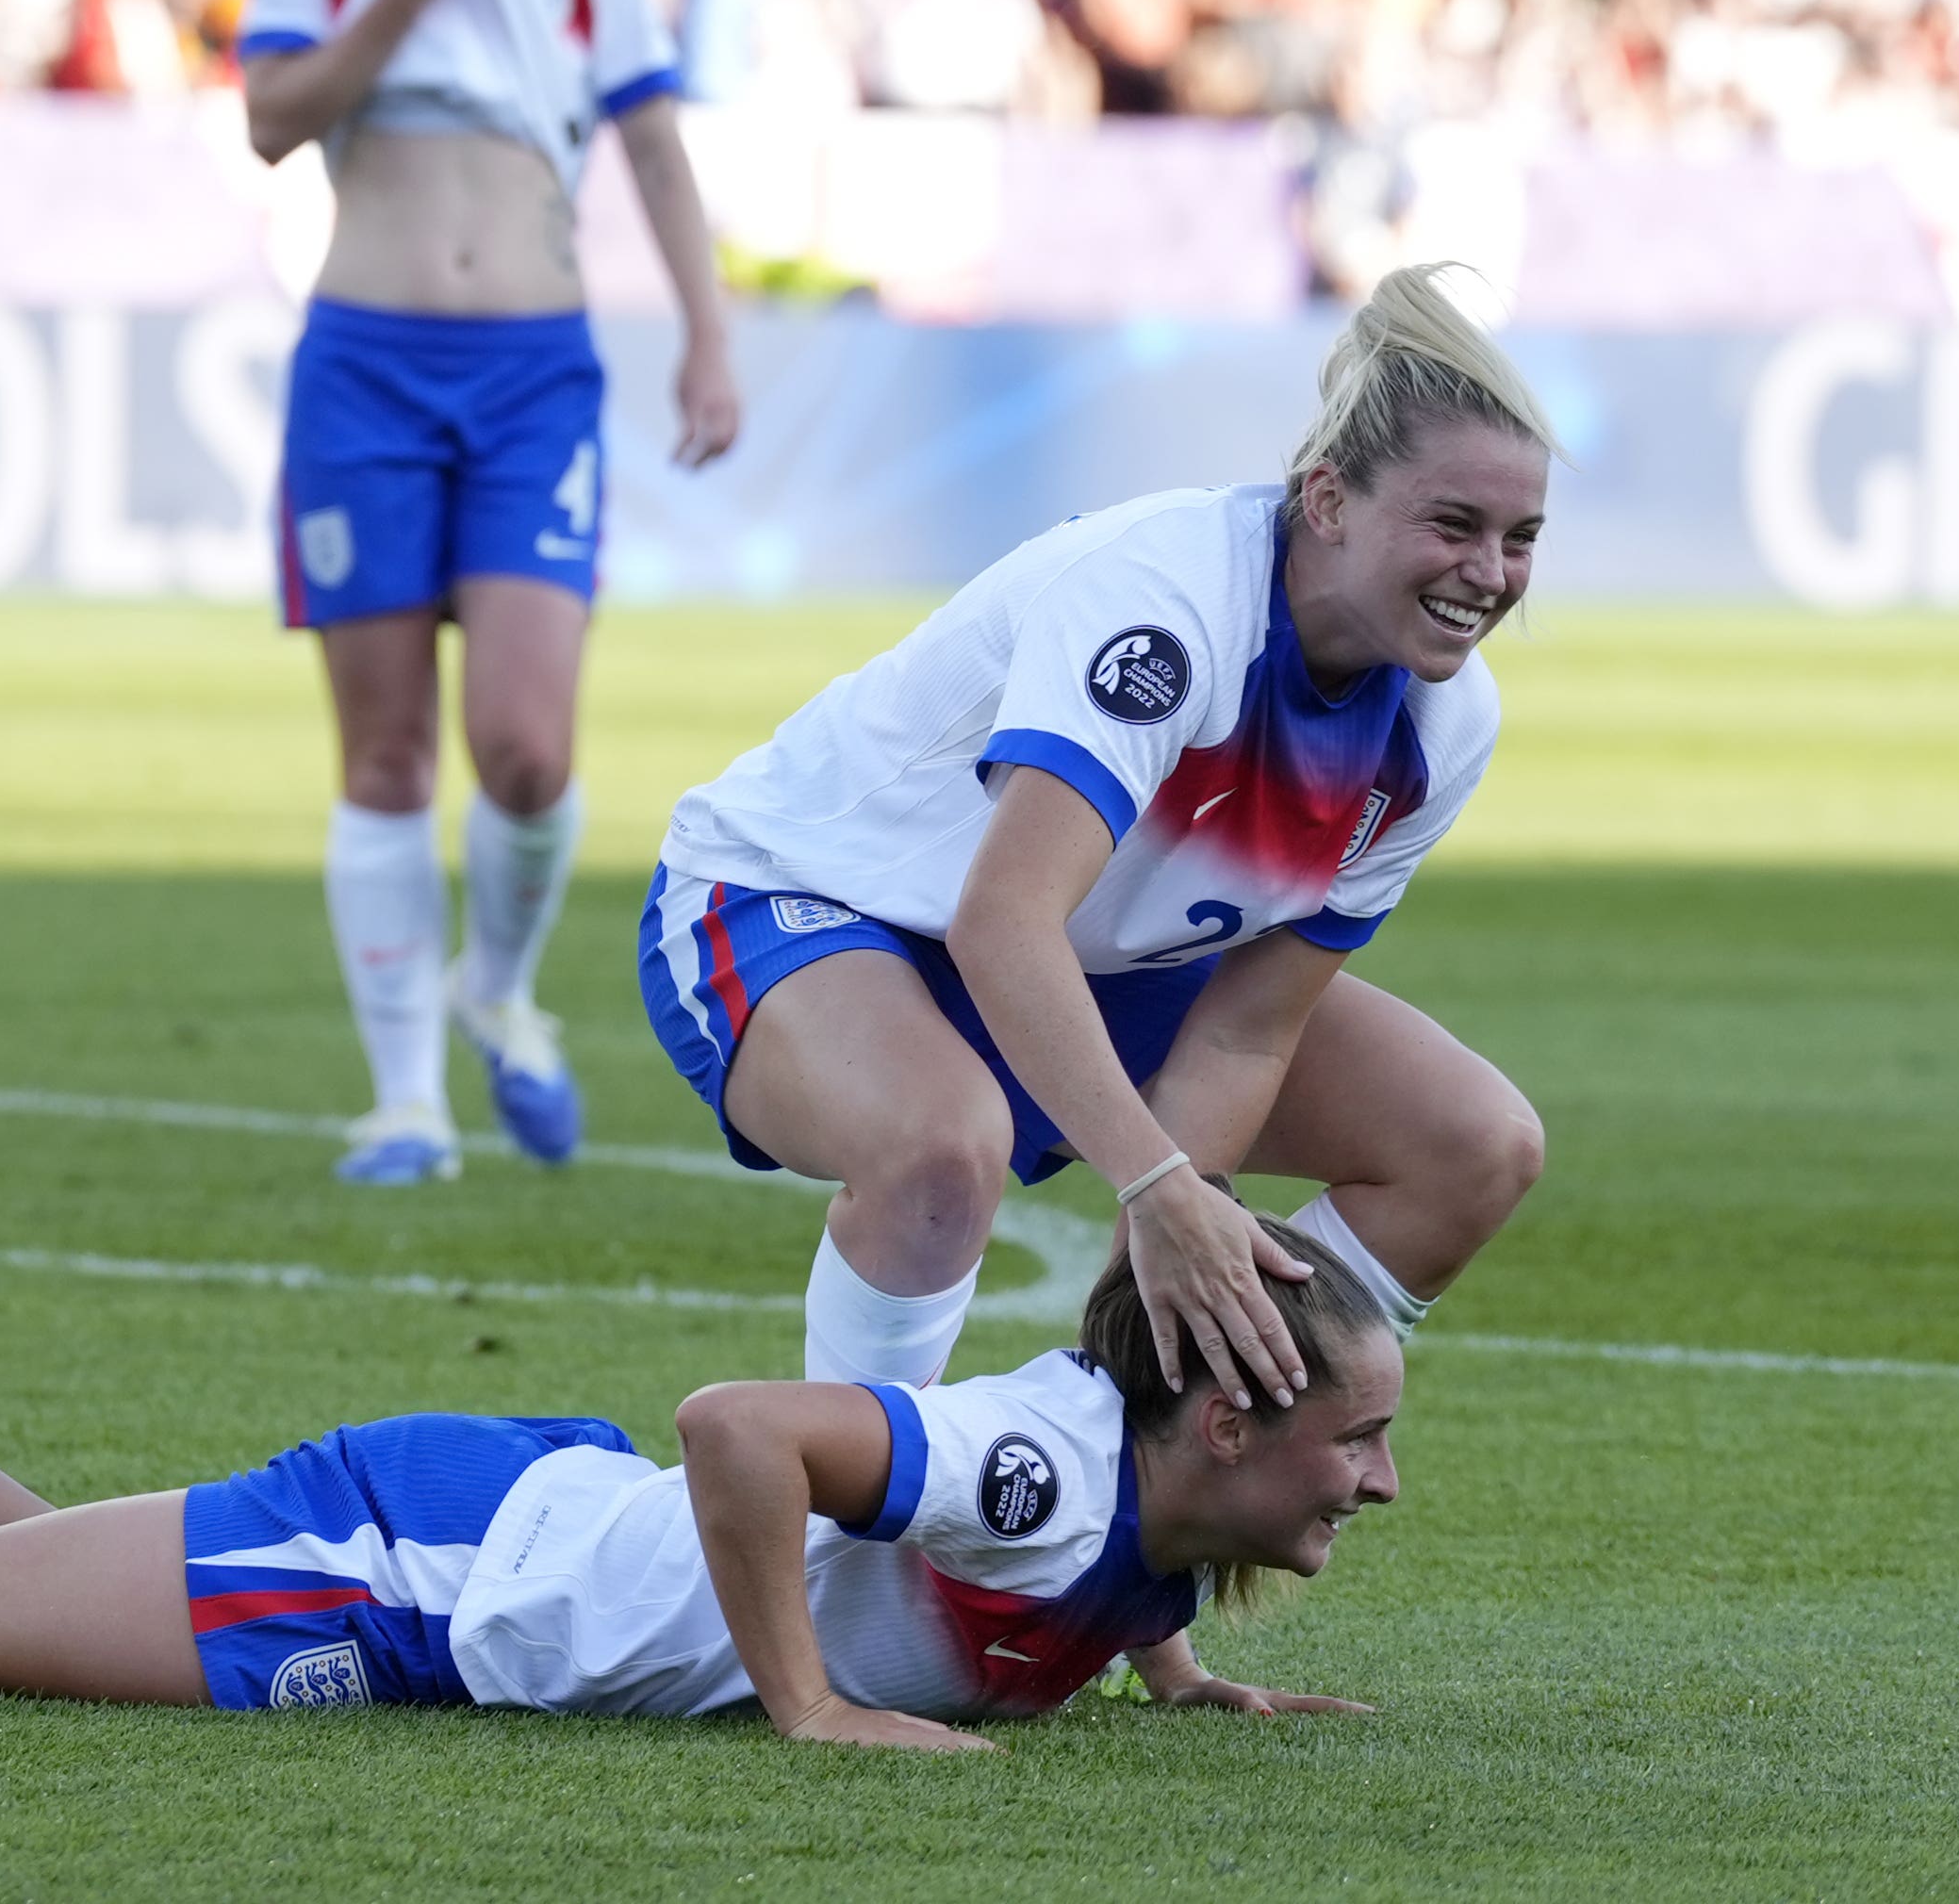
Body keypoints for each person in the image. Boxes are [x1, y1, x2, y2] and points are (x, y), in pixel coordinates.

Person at [0, 1229, 1397, 1746]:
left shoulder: (1126, 1499)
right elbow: (748, 1425)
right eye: (1350, 1431)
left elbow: (1080, 1556)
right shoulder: (1038, 1457)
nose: (1376, 1475)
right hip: (441, 1570)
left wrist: (1174, 1662)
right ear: (1213, 1418)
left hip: (486, 1528)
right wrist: (809, 1706)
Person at [641, 266, 1554, 1414]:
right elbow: (1002, 918)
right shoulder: (1166, 604)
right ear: (1327, 501)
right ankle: (851, 1541)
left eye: (1521, 537)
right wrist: (1161, 1180)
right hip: (802, 898)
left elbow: (1242, 1035)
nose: (1492, 575)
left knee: (1473, 1145)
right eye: (1454, 524)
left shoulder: (1443, 724)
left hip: (1088, 960)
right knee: (940, 1148)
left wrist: (1159, 1262)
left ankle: (1109, 1483)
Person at [237, 0, 742, 1185]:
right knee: (383, 748)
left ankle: (499, 987)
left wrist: (707, 334)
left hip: (529, 368)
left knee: (523, 745)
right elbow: (270, 116)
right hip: (366, 361)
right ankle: (404, 1101)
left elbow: (650, 150)